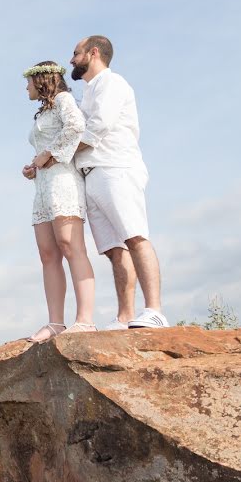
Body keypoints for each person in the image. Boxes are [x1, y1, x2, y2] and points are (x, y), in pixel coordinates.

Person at [70, 36, 167, 329]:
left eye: (76, 53)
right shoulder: (87, 92)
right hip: (92, 173)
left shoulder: (113, 84)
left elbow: (99, 125)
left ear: (94, 52)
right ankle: (126, 315)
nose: (72, 60)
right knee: (114, 249)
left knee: (134, 235)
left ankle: (155, 310)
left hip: (116, 167)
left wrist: (60, 153)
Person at [22, 61, 97, 342]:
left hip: (64, 182)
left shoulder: (65, 100)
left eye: (28, 82)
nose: (25, 88)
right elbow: (45, 152)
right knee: (47, 254)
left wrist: (50, 154)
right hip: (43, 186)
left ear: (41, 81)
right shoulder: (44, 111)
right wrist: (35, 165)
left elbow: (77, 126)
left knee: (70, 245)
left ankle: (85, 320)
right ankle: (55, 323)